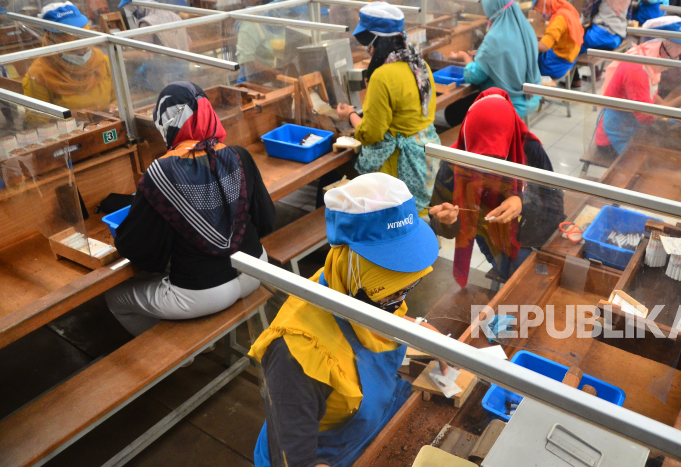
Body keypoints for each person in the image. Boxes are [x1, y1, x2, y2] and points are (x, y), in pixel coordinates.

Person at [250, 173, 443, 467]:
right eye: (390, 288)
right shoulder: (296, 355)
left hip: (367, 428)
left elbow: (393, 320)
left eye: (407, 287)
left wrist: (432, 340)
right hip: (327, 454)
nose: (399, 301)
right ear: (353, 263)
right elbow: (296, 460)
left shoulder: (350, 284)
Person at [106, 82, 277, 336]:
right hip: (256, 270)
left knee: (115, 298)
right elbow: (266, 221)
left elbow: (139, 252)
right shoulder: (239, 155)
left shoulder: (161, 173)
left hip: (204, 294)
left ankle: (177, 353)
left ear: (168, 124)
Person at [429, 88, 565, 284]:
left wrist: (522, 200)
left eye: (498, 159)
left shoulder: (529, 148)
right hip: (496, 241)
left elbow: (555, 201)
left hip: (539, 227)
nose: (488, 169)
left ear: (510, 138)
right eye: (480, 159)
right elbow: (442, 225)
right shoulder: (455, 162)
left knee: (563, 272)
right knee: (536, 282)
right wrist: (447, 220)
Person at [335, 2, 440, 213]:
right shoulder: (420, 65)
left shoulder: (382, 77)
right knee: (414, 219)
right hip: (424, 157)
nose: (367, 49)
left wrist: (350, 115)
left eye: (367, 42)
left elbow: (372, 134)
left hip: (397, 166)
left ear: (375, 40)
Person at [593, 16, 681, 155]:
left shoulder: (648, 62)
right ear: (661, 46)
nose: (677, 58)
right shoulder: (637, 69)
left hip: (631, 129)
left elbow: (653, 99)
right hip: (613, 139)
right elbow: (647, 117)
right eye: (675, 53)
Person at [448, 0, 542, 122]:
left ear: (494, 13)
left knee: (452, 113)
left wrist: (465, 57)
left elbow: (474, 76)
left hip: (509, 103)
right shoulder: (526, 29)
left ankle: (475, 139)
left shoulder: (494, 39)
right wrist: (483, 56)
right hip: (532, 97)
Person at [23, 2, 116, 113]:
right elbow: (35, 119)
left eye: (86, 47)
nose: (82, 52)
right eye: (73, 48)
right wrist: (68, 116)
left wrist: (114, 107)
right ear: (52, 42)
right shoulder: (39, 74)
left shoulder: (102, 60)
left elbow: (119, 97)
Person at [237, 0, 308, 80]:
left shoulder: (286, 23)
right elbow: (247, 60)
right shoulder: (251, 22)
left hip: (281, 77)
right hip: (254, 82)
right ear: (280, 8)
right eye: (292, 14)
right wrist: (275, 74)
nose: (295, 18)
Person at [532, 0, 583, 81]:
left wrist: (525, 42)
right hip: (570, 59)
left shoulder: (559, 19)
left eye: (540, 7)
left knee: (526, 68)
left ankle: (534, 92)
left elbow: (544, 46)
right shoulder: (568, 11)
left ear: (546, 3)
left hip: (556, 65)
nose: (540, 12)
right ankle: (576, 80)